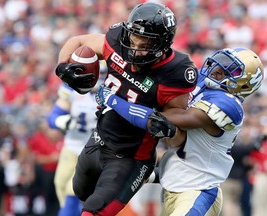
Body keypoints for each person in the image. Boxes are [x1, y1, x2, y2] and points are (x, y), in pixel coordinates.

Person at [54, 2, 198, 215]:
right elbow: (79, 41)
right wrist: (63, 67)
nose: (136, 49)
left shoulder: (175, 72)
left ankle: (145, 175)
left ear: (163, 44)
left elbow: (177, 115)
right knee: (81, 193)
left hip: (131, 157)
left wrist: (162, 122)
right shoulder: (116, 41)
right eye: (134, 38)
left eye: (146, 43)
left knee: (94, 211)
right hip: (97, 141)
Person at [95, 47, 265, 215]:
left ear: (245, 84)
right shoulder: (202, 82)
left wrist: (114, 101)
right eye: (222, 63)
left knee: (160, 124)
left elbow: (161, 120)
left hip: (198, 191)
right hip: (173, 184)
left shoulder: (229, 105)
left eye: (232, 70)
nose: (218, 69)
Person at [47, 83, 99, 216]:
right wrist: (62, 121)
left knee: (73, 188)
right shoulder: (73, 89)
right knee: (60, 183)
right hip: (71, 146)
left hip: (92, 149)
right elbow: (52, 118)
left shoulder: (112, 91)